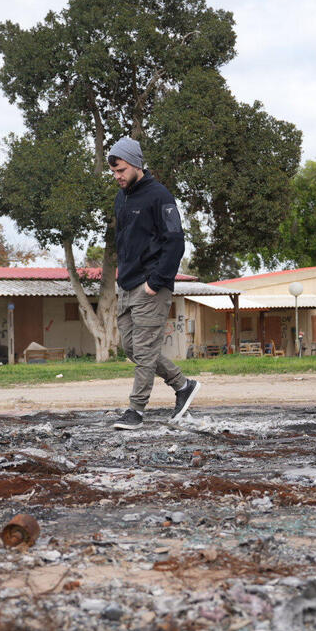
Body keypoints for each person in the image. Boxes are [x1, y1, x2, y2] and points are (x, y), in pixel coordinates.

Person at [107, 136, 200, 430]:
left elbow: (175, 241)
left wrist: (156, 281)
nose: (117, 176)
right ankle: (182, 385)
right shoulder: (121, 197)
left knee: (145, 352)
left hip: (150, 286)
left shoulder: (160, 196)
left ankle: (136, 411)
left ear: (135, 164)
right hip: (126, 284)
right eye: (113, 172)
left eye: (121, 170)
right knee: (132, 348)